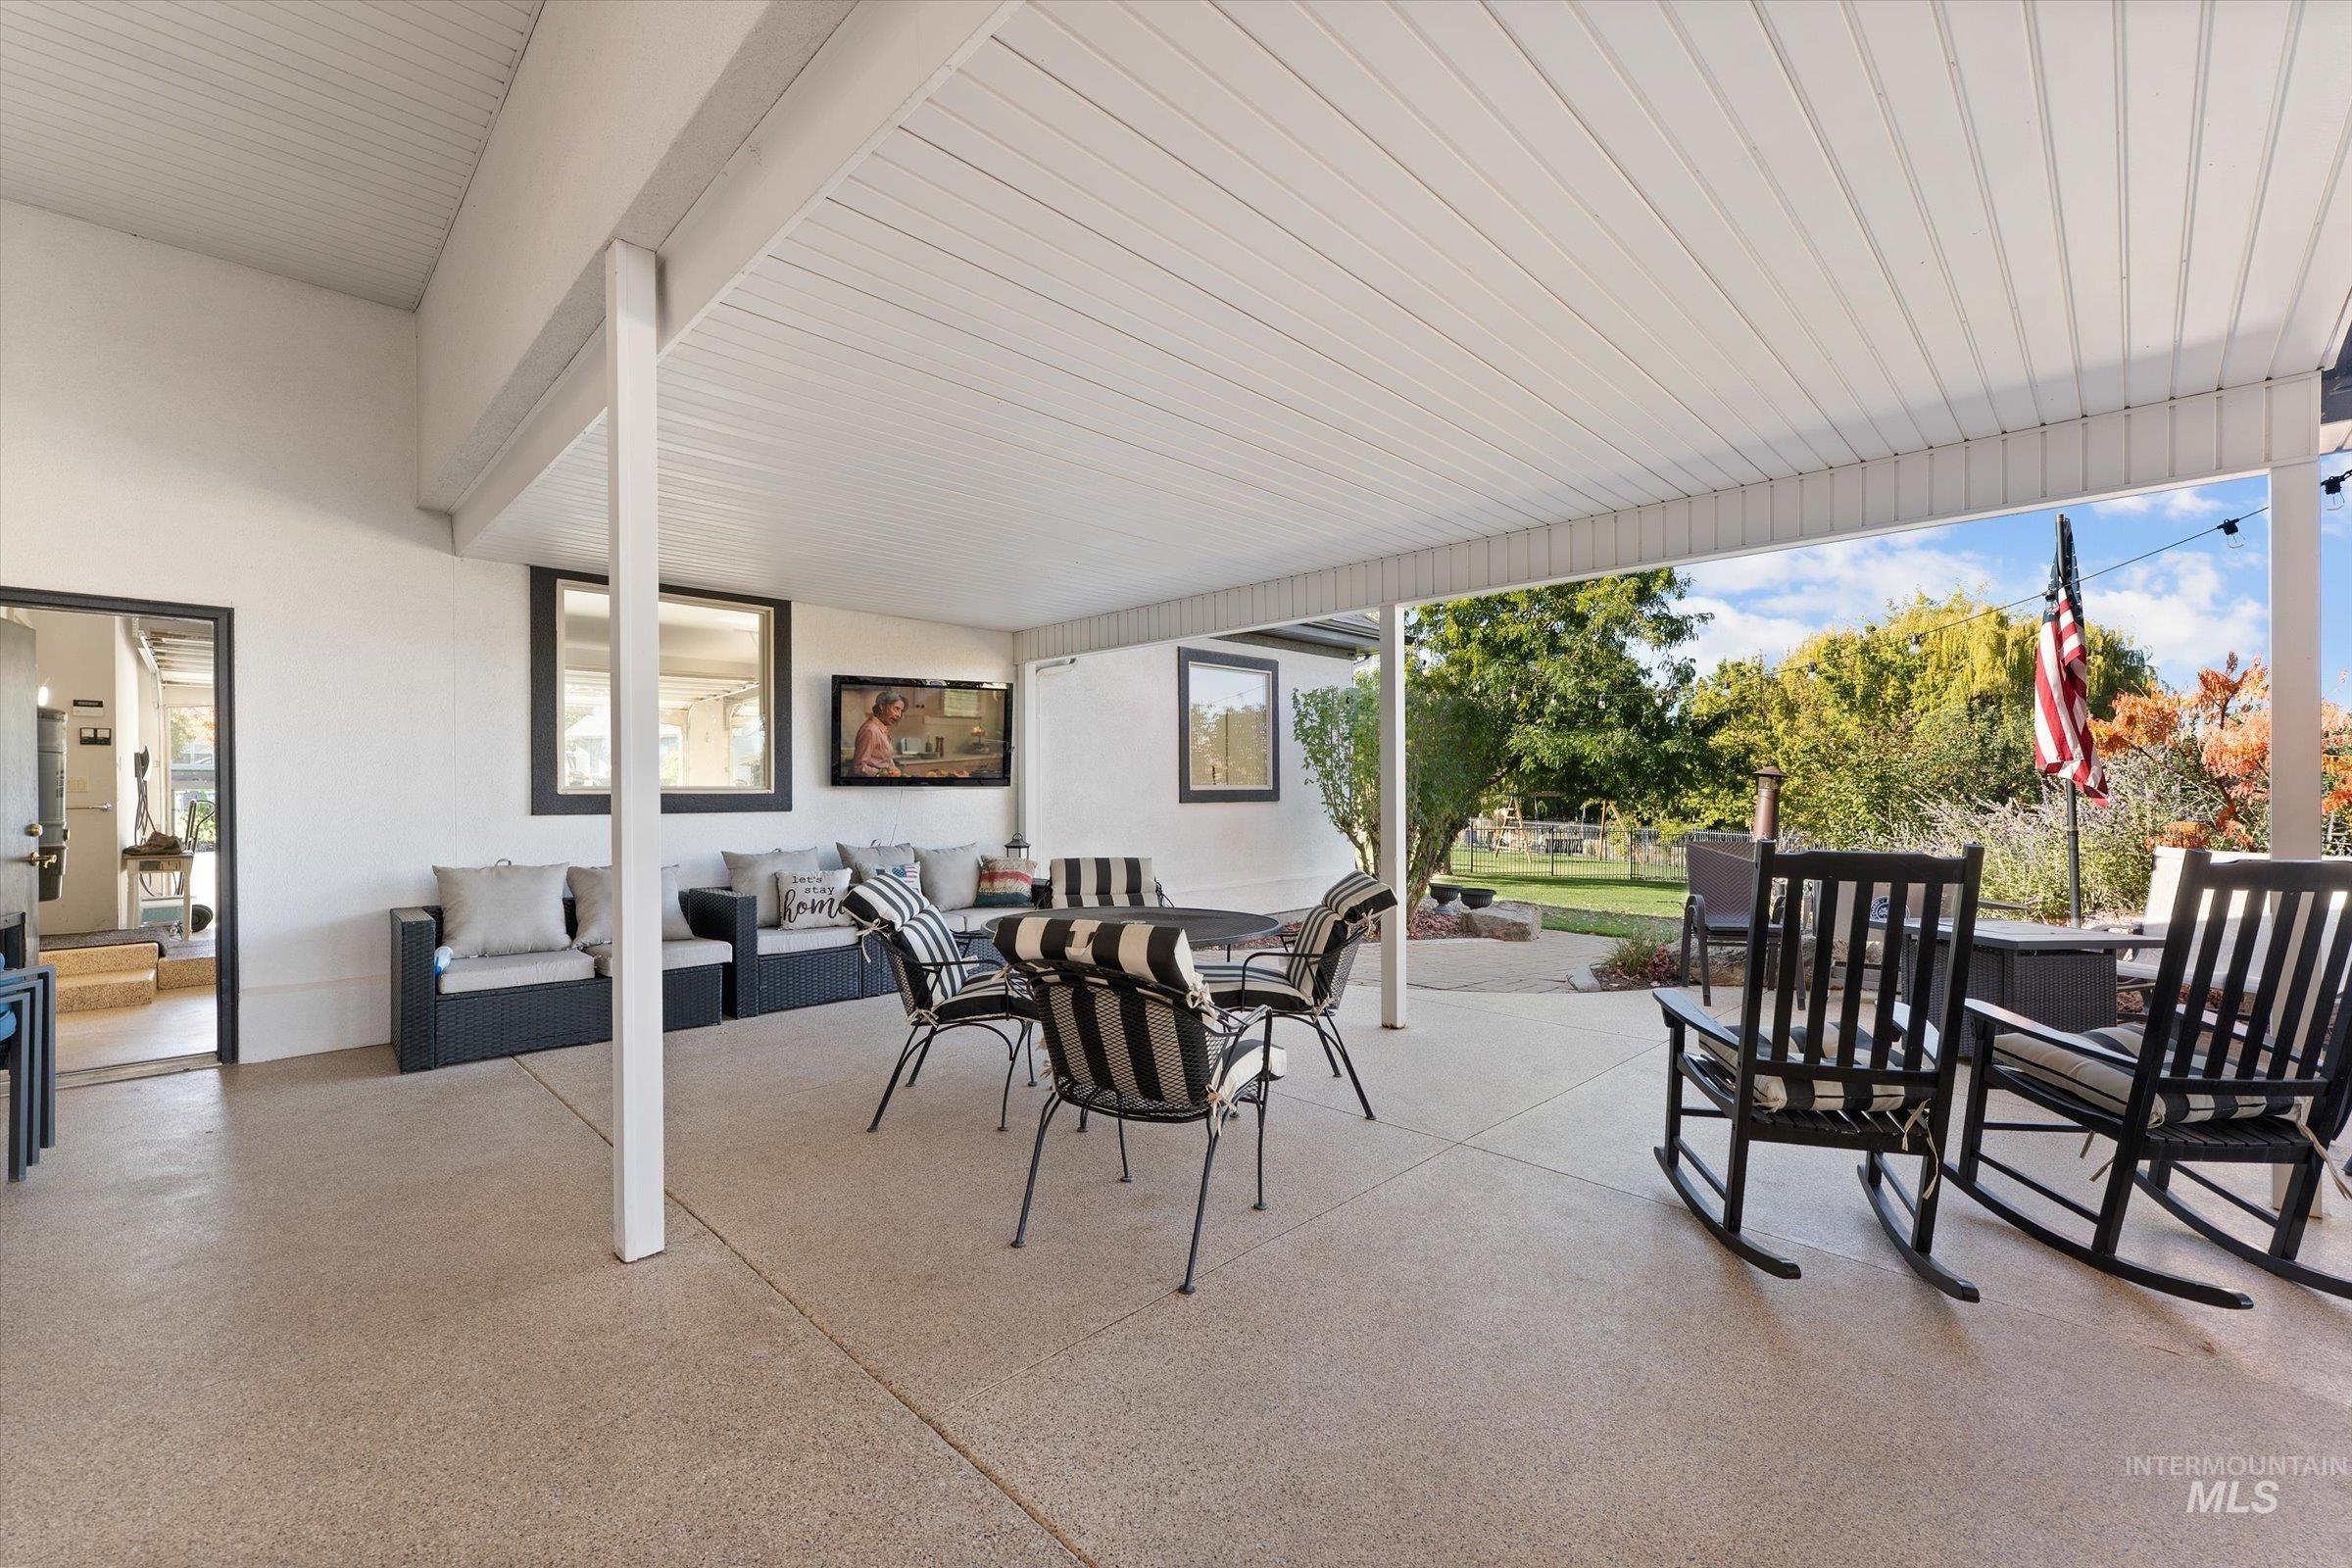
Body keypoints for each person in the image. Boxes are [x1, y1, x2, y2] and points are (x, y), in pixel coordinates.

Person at [851, 691, 906, 777]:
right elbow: (859, 767)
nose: (899, 715)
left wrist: (896, 771)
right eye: (896, 709)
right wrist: (885, 774)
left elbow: (886, 760)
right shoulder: (870, 730)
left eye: (901, 711)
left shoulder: (881, 729)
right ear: (882, 707)